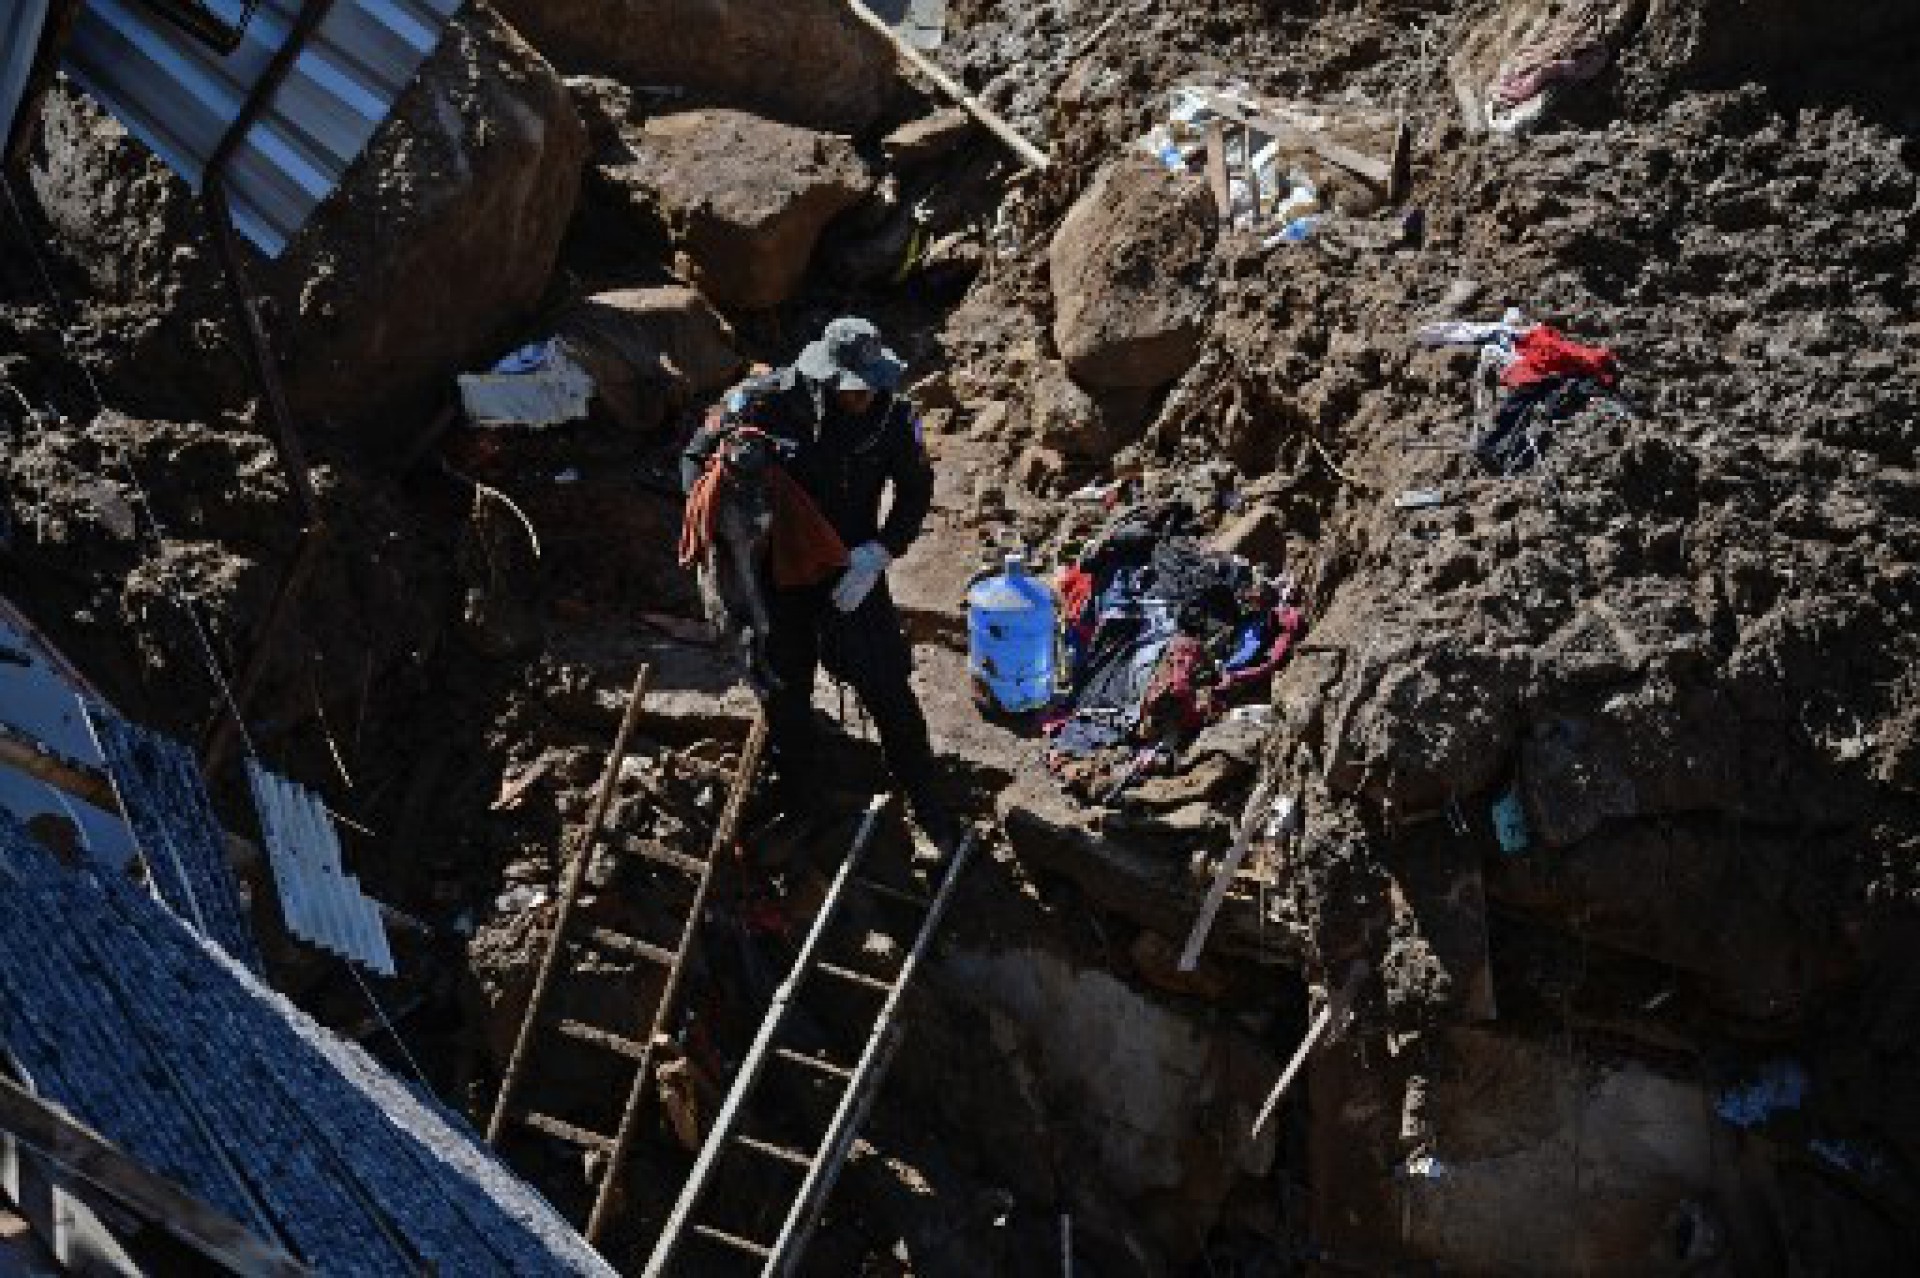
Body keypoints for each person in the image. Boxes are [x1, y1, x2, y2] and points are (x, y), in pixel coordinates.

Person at [683, 317, 956, 855]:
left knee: (888, 687)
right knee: (784, 692)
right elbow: (696, 456)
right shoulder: (762, 403)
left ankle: (927, 799)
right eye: (852, 388)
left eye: (871, 386)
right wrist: (719, 522)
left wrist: (881, 552)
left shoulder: (894, 418)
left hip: (848, 566)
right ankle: (803, 800)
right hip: (775, 571)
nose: (863, 397)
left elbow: (915, 490)